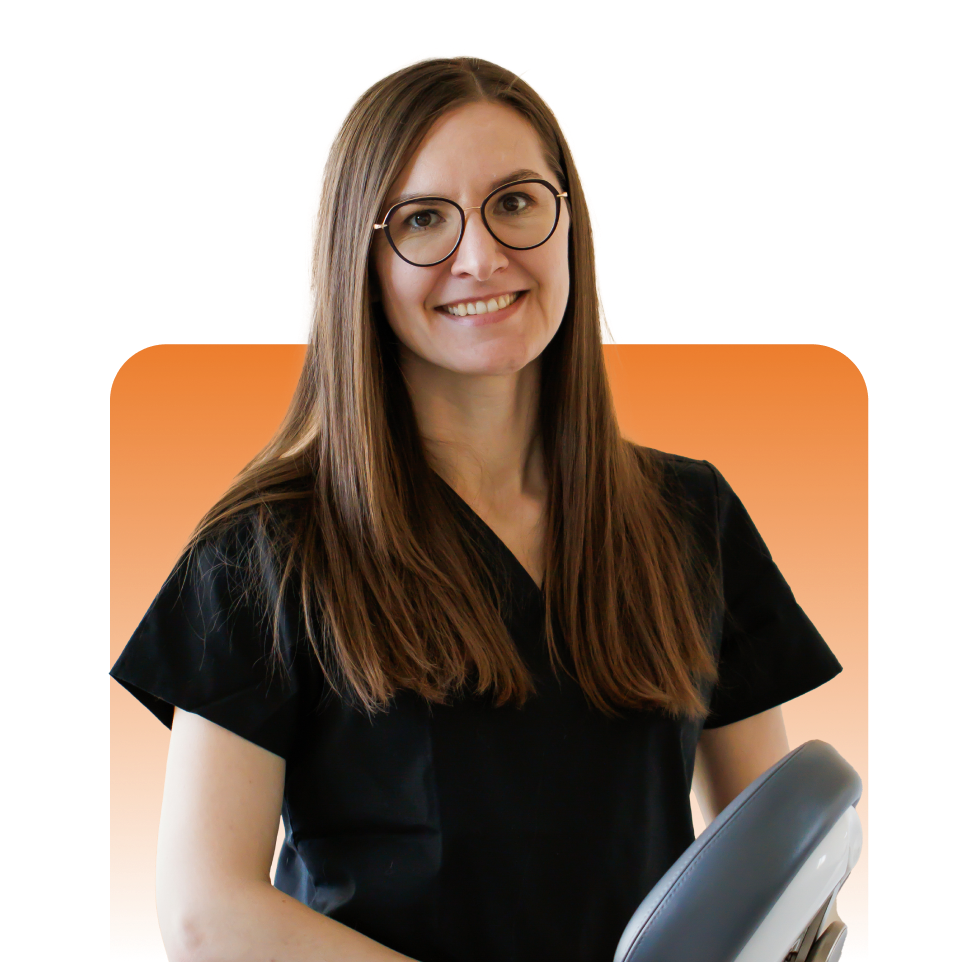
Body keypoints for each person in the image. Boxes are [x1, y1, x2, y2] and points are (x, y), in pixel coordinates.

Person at [109, 53, 842, 962]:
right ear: (359, 260)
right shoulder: (263, 547)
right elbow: (205, 911)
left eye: (515, 202)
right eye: (423, 219)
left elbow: (766, 862)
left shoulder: (693, 517)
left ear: (570, 222)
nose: (482, 257)